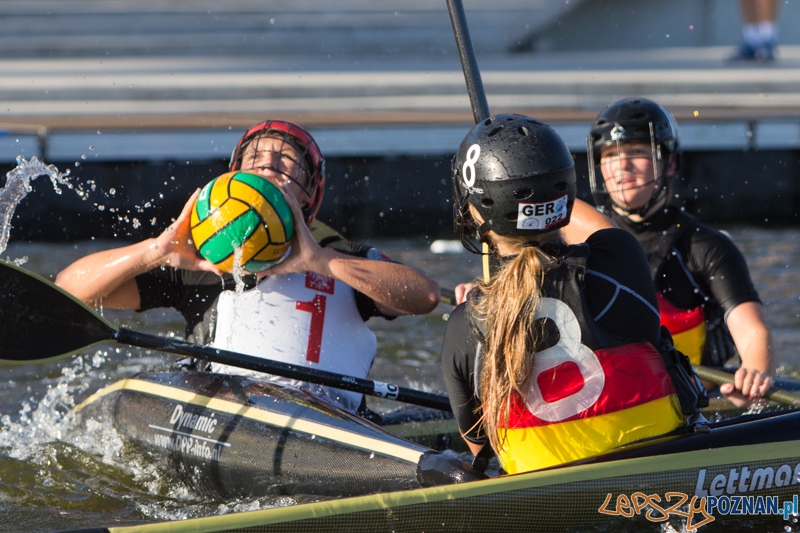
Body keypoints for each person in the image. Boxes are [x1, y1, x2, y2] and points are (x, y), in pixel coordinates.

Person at [55, 120, 440, 414]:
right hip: (227, 411)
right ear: (234, 174)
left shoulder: (338, 253)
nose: (270, 163)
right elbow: (69, 290)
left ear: (311, 191)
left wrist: (320, 262)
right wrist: (154, 251)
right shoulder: (201, 260)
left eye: (288, 159)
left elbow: (424, 296)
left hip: (327, 417)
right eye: (256, 157)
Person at [441, 113, 706, 475]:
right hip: (664, 478)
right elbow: (596, 227)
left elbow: (482, 447)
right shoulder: (619, 262)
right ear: (566, 190)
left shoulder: (465, 326)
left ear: (474, 209)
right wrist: (540, 177)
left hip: (553, 502)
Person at [587, 97, 774, 403]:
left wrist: (754, 376)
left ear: (669, 163)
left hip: (695, 402)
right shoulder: (579, 243)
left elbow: (754, 332)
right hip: (618, 406)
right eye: (609, 155)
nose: (622, 165)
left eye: (636, 152)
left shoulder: (706, 246)